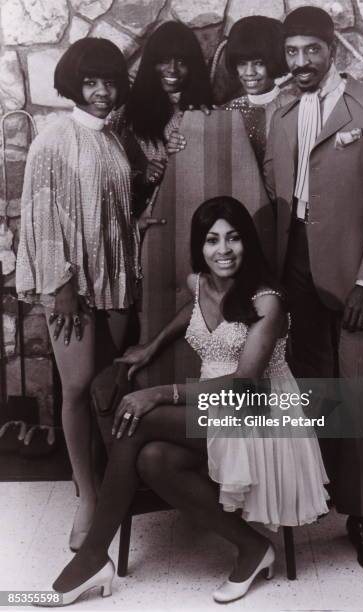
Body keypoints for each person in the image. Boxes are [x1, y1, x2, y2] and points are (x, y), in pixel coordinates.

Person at [48, 196, 329, 605]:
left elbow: (245, 386)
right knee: (151, 458)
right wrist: (152, 346)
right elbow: (191, 310)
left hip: (259, 415)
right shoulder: (199, 283)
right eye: (212, 241)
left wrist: (162, 392)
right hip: (210, 411)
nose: (223, 250)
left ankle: (93, 554)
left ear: (247, 242)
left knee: (140, 419)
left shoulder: (267, 301)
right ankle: (253, 548)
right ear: (200, 247)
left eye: (233, 238)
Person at [264, 6, 363, 575]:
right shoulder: (278, 111)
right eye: (292, 52)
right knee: (311, 390)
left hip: (354, 276)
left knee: (355, 392)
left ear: (334, 51)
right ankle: (316, 496)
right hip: (292, 268)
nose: (300, 62)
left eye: (312, 51)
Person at [16, 38, 140, 553]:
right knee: (75, 389)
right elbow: (41, 214)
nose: (101, 92)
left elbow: (115, 215)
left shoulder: (113, 140)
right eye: (91, 82)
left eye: (109, 81)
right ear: (74, 83)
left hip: (114, 282)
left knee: (104, 388)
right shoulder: (53, 137)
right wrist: (60, 285)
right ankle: (86, 497)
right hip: (71, 284)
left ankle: (110, 486)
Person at [110, 21, 214, 222]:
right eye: (164, 61)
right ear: (151, 64)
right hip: (139, 220)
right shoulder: (126, 112)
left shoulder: (204, 112)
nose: (172, 69)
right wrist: (141, 173)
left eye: (182, 62)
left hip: (191, 214)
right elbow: (107, 168)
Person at [223, 16, 296, 166]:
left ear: (274, 61)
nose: (249, 72)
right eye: (242, 63)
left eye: (259, 63)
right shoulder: (226, 111)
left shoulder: (295, 108)